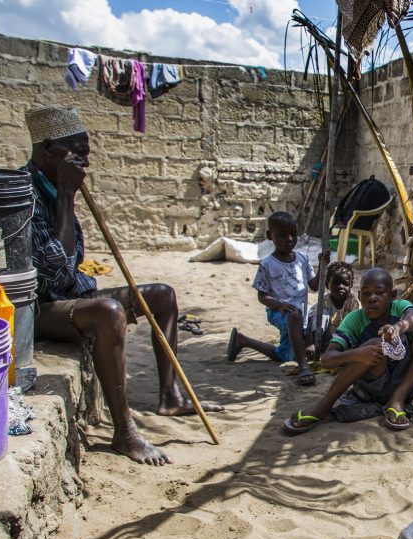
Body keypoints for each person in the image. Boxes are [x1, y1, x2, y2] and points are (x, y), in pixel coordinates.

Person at [24, 104, 222, 466]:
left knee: (162, 295)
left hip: (71, 294)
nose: (86, 158)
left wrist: (66, 193)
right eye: (77, 150)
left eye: (86, 148)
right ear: (48, 149)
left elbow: (72, 271)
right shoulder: (28, 192)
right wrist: (67, 196)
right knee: (109, 312)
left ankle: (170, 396)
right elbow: (56, 274)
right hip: (39, 308)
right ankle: (124, 431)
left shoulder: (55, 185)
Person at [282, 268, 413, 433]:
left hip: (405, 383)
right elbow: (326, 359)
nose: (372, 298)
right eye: (366, 293)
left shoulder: (399, 307)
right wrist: (357, 354)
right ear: (359, 296)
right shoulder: (354, 319)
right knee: (376, 343)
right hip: (372, 387)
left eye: (379, 293)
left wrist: (397, 327)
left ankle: (397, 399)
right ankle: (323, 406)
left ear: (392, 295)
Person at [226, 212, 324, 386]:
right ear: (269, 236)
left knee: (286, 354)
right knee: (294, 317)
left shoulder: (303, 259)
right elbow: (262, 296)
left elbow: (314, 286)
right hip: (279, 313)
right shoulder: (267, 264)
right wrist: (278, 305)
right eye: (282, 235)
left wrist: (323, 267)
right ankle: (302, 366)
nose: (289, 239)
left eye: (293, 234)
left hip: (300, 314)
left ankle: (243, 340)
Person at [304, 261, 359, 356]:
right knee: (322, 313)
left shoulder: (353, 302)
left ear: (350, 286)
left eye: (345, 284)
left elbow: (355, 326)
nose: (340, 287)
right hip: (324, 337)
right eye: (336, 283)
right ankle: (314, 344)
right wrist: (310, 342)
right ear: (327, 285)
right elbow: (312, 319)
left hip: (344, 338)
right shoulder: (324, 301)